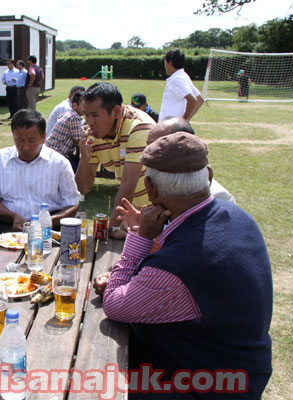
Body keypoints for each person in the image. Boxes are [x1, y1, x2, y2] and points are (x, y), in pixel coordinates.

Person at [93, 132, 272, 399]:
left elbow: (115, 305)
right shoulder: (237, 216)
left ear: (151, 189)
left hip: (197, 385)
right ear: (208, 176)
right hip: (238, 372)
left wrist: (139, 238)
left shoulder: (178, 267)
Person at [75, 82, 154, 239]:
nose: (89, 122)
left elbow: (128, 184)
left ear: (116, 111)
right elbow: (82, 188)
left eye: (95, 115)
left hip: (158, 212)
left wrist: (110, 230)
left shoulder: (139, 128)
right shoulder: (93, 133)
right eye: (86, 114)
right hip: (135, 210)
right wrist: (84, 160)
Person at [0, 109, 80, 233]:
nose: (25, 147)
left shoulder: (59, 163)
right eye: (19, 140)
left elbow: (72, 204)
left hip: (50, 228)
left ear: (43, 137)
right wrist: (13, 217)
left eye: (32, 141)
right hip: (10, 227)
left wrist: (47, 221)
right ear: (13, 136)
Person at [147, 117, 235, 203]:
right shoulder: (152, 178)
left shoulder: (218, 197)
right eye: (147, 146)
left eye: (158, 148)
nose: (146, 153)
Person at [159, 49, 204, 122]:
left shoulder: (176, 79)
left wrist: (183, 121)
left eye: (165, 62)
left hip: (171, 127)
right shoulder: (183, 76)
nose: (165, 66)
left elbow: (193, 100)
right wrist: (186, 121)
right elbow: (200, 99)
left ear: (170, 63)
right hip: (171, 126)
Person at [45, 91, 85, 172]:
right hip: (57, 156)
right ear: (75, 105)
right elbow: (79, 139)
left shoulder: (69, 113)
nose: (86, 108)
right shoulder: (74, 117)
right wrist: (88, 132)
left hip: (50, 152)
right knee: (81, 168)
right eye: (84, 105)